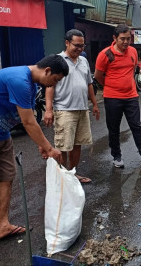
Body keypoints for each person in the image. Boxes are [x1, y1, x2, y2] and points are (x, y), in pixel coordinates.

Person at [0, 55, 68, 266]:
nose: (54, 85)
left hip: (1, 133)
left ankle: (3, 225)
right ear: (47, 71)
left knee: (7, 177)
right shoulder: (19, 79)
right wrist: (49, 148)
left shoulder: (32, 83)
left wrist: (40, 142)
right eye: (55, 80)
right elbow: (28, 121)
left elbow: (27, 118)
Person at [44, 29, 99, 184]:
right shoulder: (57, 60)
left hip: (82, 108)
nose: (80, 49)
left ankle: (72, 174)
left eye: (82, 46)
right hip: (64, 109)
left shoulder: (84, 61)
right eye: (76, 45)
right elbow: (50, 86)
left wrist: (94, 104)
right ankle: (61, 177)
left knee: (77, 144)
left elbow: (89, 83)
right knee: (63, 145)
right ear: (67, 43)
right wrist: (48, 110)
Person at [94, 24, 141, 168]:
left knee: (137, 125)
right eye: (122, 39)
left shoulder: (132, 51)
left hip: (131, 96)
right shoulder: (105, 54)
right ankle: (117, 156)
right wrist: (111, 85)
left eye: (128, 39)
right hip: (112, 97)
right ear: (114, 38)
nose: (126, 42)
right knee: (114, 128)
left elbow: (132, 69)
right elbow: (98, 76)